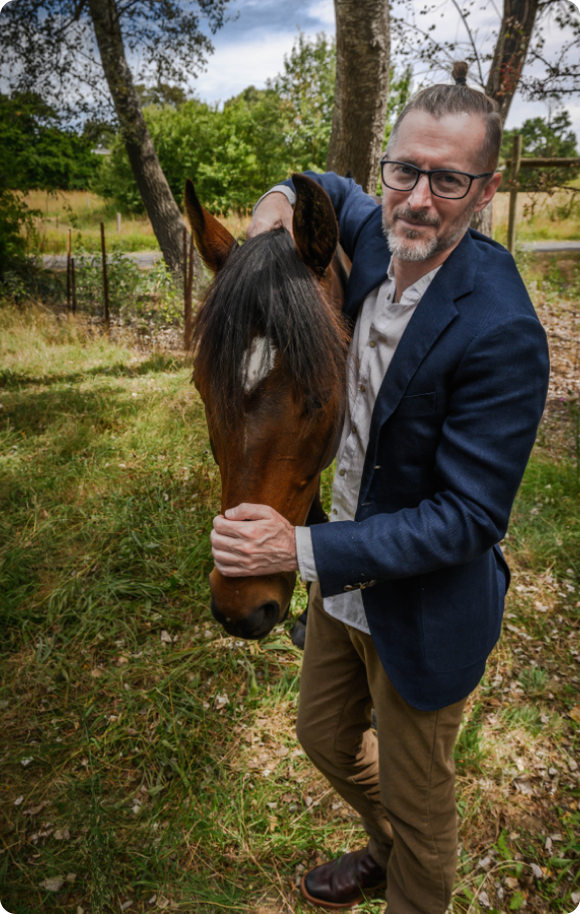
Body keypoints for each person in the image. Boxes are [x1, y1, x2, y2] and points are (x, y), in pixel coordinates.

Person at [210, 63, 550, 914]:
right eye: (406, 170)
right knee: (322, 736)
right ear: (385, 170)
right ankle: (381, 845)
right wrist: (263, 230)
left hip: (425, 613)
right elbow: (312, 184)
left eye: (450, 178)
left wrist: (296, 547)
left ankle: (409, 877)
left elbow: (470, 517)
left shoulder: (501, 329)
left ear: (485, 189)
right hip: (341, 594)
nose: (420, 199)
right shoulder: (372, 227)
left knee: (425, 813)